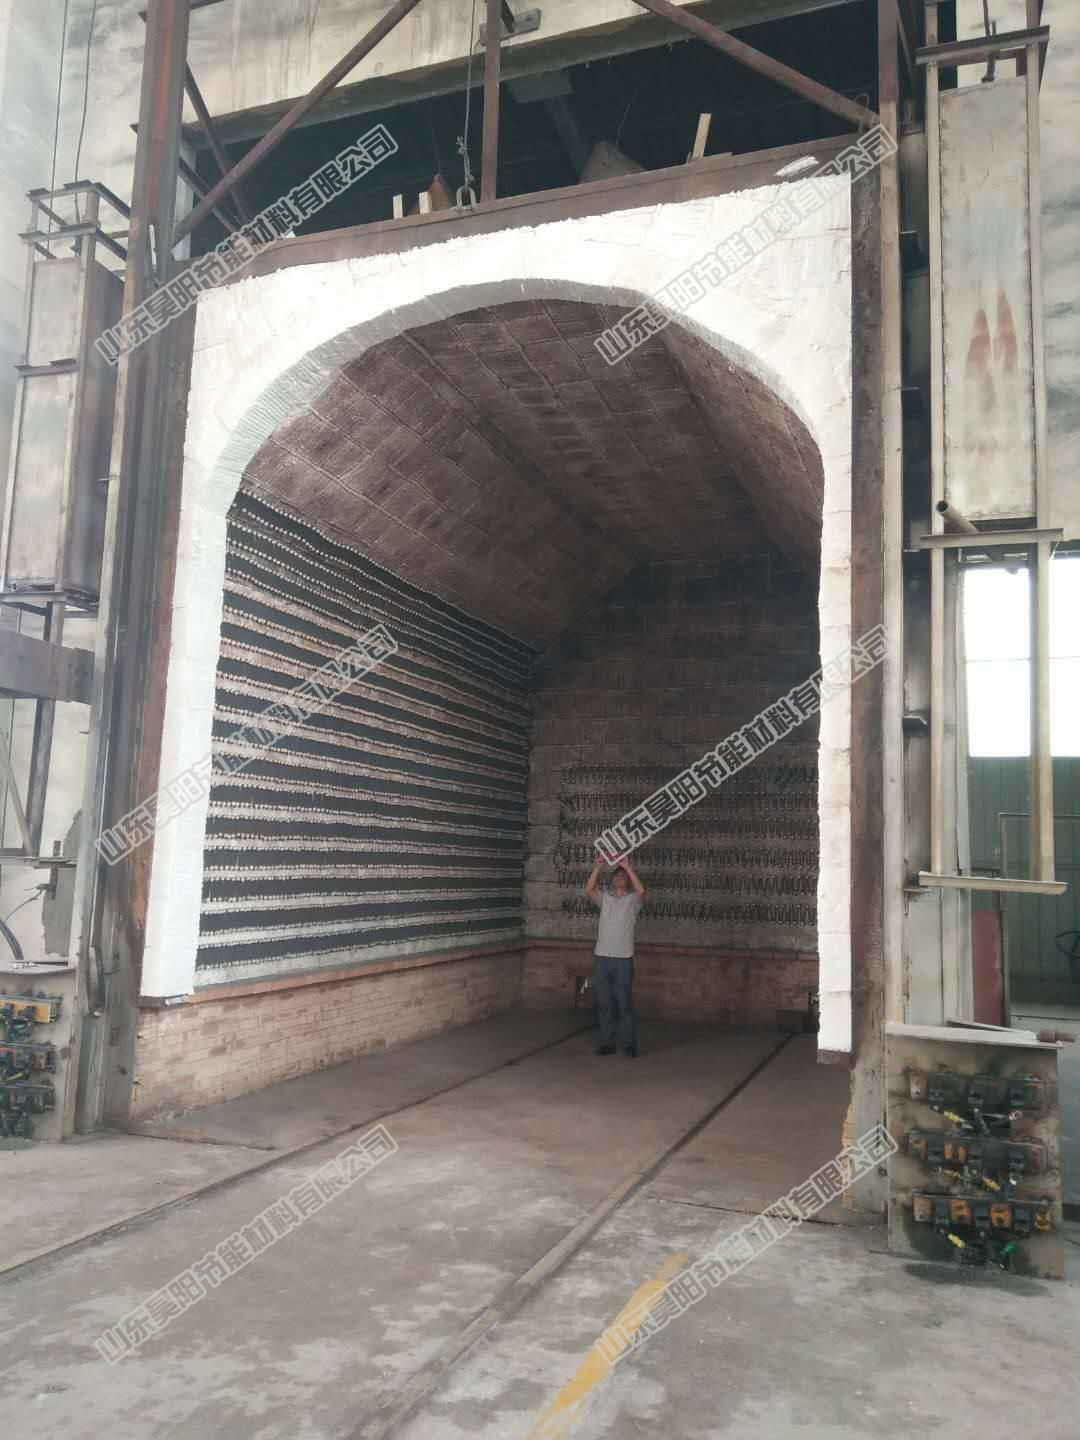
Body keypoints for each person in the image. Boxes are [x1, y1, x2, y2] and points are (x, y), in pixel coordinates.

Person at [585, 854, 646, 1058]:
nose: (619, 878)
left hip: (623, 960)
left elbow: (642, 891)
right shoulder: (605, 898)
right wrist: (598, 867)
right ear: (612, 880)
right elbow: (589, 890)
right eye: (616, 875)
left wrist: (627, 867)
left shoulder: (633, 901)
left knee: (625, 1003)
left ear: (627, 880)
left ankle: (629, 1044)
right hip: (602, 958)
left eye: (622, 876)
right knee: (604, 1004)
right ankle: (607, 1043)